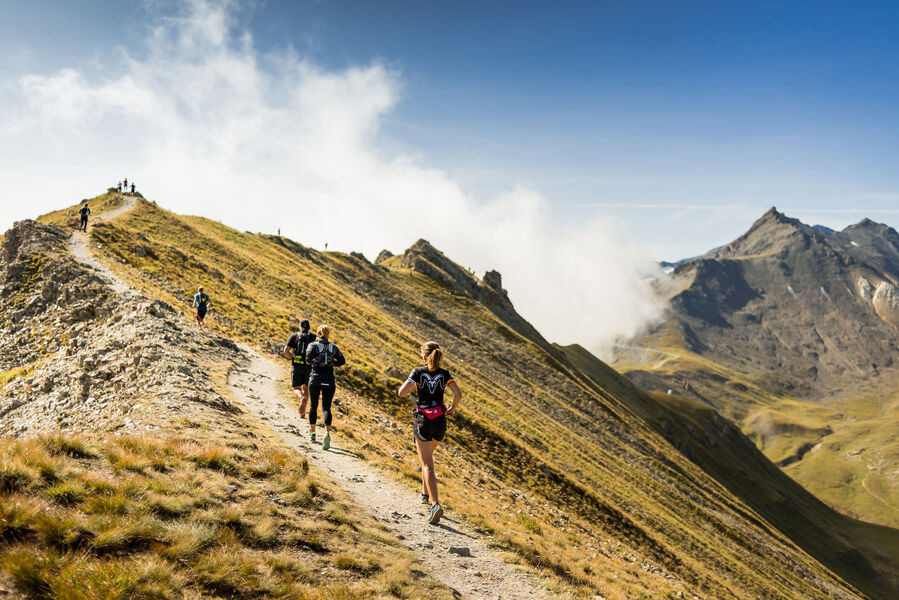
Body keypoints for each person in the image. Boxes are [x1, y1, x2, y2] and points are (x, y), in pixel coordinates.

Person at [397, 341, 461, 525]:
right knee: (428, 460)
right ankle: (424, 494)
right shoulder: (445, 374)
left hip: (423, 420)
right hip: (440, 421)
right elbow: (458, 394)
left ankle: (435, 505)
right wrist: (453, 410)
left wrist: (414, 386)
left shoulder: (417, 372)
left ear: (424, 357)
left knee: (427, 465)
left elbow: (401, 393)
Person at [305, 324, 345, 450]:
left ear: (318, 333)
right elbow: (342, 361)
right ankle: (327, 433)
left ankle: (312, 433)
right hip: (329, 380)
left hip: (315, 379)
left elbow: (308, 359)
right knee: (326, 408)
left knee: (313, 406)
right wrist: (332, 363)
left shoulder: (313, 345)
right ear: (328, 334)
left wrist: (313, 362)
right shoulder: (333, 347)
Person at [283, 320, 316, 419]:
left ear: (300, 326)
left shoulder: (294, 336)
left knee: (296, 388)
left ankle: (301, 398)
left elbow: (286, 350)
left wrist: (291, 357)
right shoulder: (313, 338)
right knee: (306, 388)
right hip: (308, 367)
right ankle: (303, 412)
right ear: (309, 327)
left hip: (297, 366)